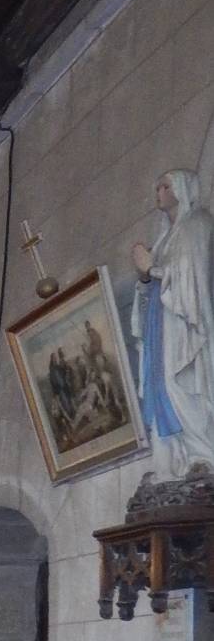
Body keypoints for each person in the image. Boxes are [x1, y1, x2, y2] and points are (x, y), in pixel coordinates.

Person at [132, 168, 214, 476]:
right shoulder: (165, 236)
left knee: (183, 383)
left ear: (181, 188)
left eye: (164, 186)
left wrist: (151, 267)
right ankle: (177, 460)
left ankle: (203, 454)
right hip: (160, 324)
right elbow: (152, 284)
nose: (159, 193)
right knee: (160, 386)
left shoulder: (198, 224)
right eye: (157, 188)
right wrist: (144, 274)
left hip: (185, 324)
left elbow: (193, 279)